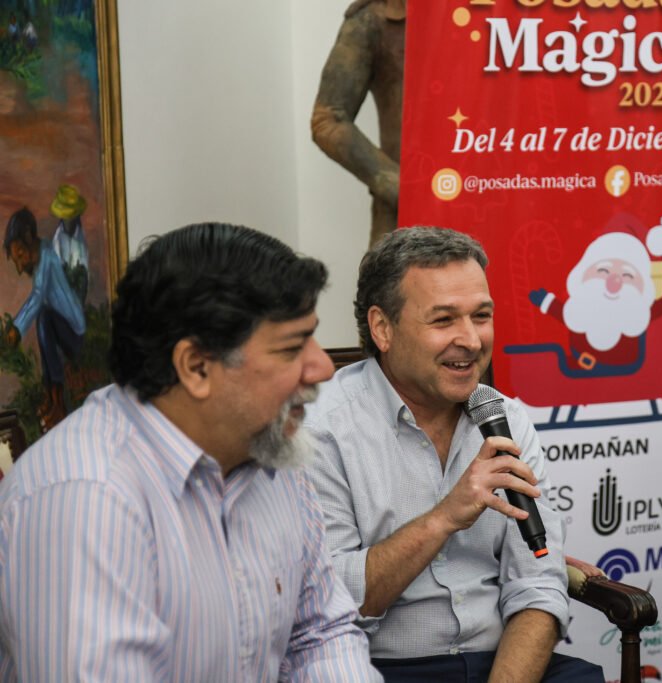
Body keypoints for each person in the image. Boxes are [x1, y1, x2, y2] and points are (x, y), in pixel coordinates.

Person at [0, 222, 382, 681]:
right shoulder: (88, 497)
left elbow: (320, 633)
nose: (322, 367)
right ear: (196, 366)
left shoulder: (269, 449)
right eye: (292, 348)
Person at [305, 227, 603, 682]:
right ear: (383, 328)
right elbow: (333, 600)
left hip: (498, 664)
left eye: (481, 316)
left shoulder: (505, 419)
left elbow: (538, 585)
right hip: (381, 669)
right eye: (443, 320)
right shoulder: (322, 430)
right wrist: (444, 518)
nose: (471, 340)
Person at [529, 230, 662, 373]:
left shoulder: (636, 311)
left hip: (624, 366)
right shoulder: (579, 309)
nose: (614, 281)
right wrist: (547, 302)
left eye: (628, 275)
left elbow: (651, 312)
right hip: (580, 362)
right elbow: (568, 314)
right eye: (603, 271)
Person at [312, 0, 404, 245]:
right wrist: (402, 187)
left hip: (493, 202)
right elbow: (328, 119)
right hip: (403, 221)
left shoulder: (499, 11)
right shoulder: (373, 18)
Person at [2, 207, 86, 431]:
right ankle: (51, 398)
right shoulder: (42, 259)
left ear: (29, 237)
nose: (20, 267)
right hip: (61, 326)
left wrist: (17, 328)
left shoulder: (47, 256)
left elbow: (38, 296)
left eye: (20, 255)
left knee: (44, 318)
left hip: (74, 333)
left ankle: (59, 405)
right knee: (44, 320)